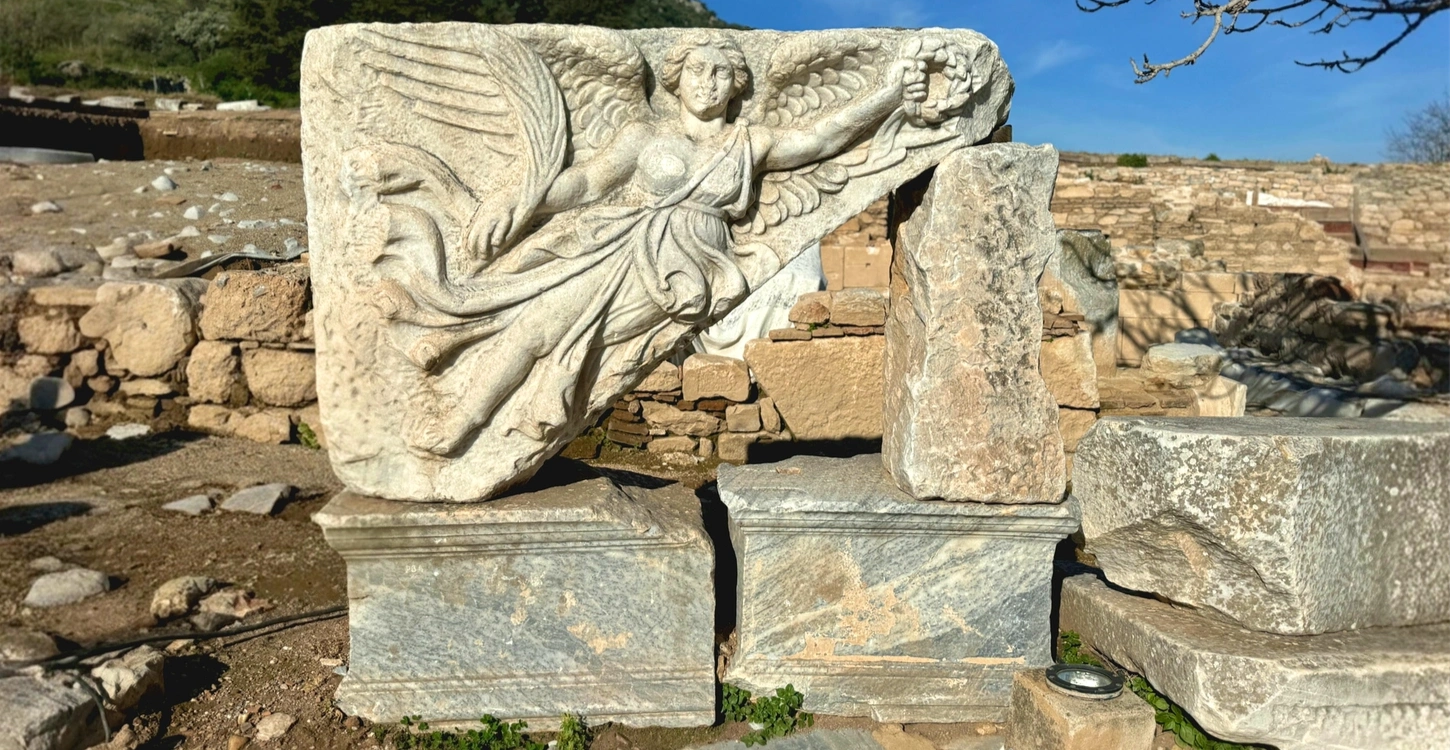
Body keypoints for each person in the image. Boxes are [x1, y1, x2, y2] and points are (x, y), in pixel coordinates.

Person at [390, 32, 927, 457]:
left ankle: (478, 414)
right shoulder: (644, 134)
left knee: (565, 336)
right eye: (697, 69)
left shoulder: (749, 141)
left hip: (687, 270)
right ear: (676, 78)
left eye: (721, 73)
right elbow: (587, 184)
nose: (708, 83)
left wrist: (891, 94)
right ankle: (461, 422)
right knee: (535, 325)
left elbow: (823, 138)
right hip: (615, 242)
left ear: (737, 85)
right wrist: (523, 199)